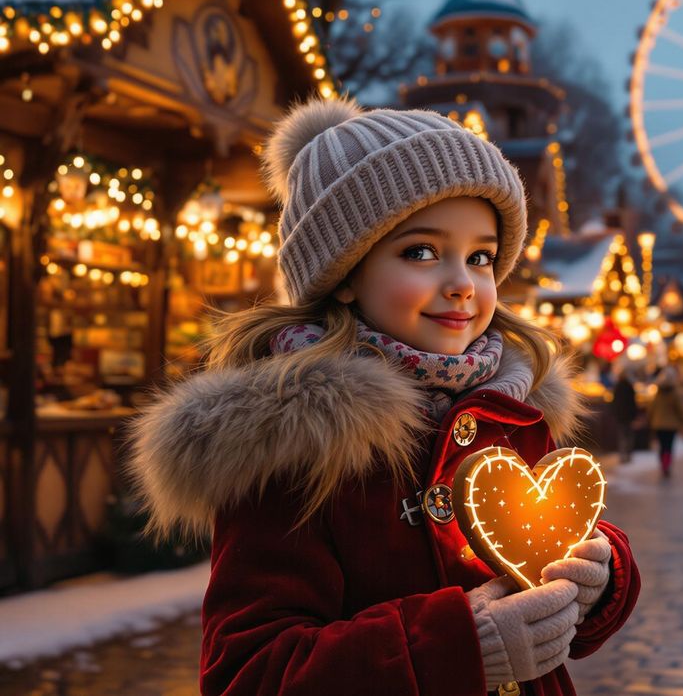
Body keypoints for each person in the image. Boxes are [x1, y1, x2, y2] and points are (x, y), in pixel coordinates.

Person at [130, 101, 640, 696]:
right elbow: (250, 672)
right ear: (344, 273)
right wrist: (459, 646)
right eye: (421, 252)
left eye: (480, 257)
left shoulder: (511, 407)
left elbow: (564, 609)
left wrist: (603, 577)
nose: (461, 282)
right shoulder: (295, 441)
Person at [646, 367, 683, 478]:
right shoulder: (675, 393)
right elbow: (681, 409)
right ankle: (666, 465)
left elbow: (652, 407)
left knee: (662, 445)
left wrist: (650, 419)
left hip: (658, 423)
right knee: (669, 446)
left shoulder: (658, 393)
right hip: (671, 425)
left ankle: (663, 464)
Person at [608, 366, 640, 463]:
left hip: (620, 415)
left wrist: (614, 413)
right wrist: (635, 414)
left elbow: (614, 402)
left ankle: (623, 455)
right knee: (629, 435)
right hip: (628, 415)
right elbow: (633, 402)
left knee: (622, 435)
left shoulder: (617, 386)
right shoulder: (630, 386)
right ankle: (628, 455)